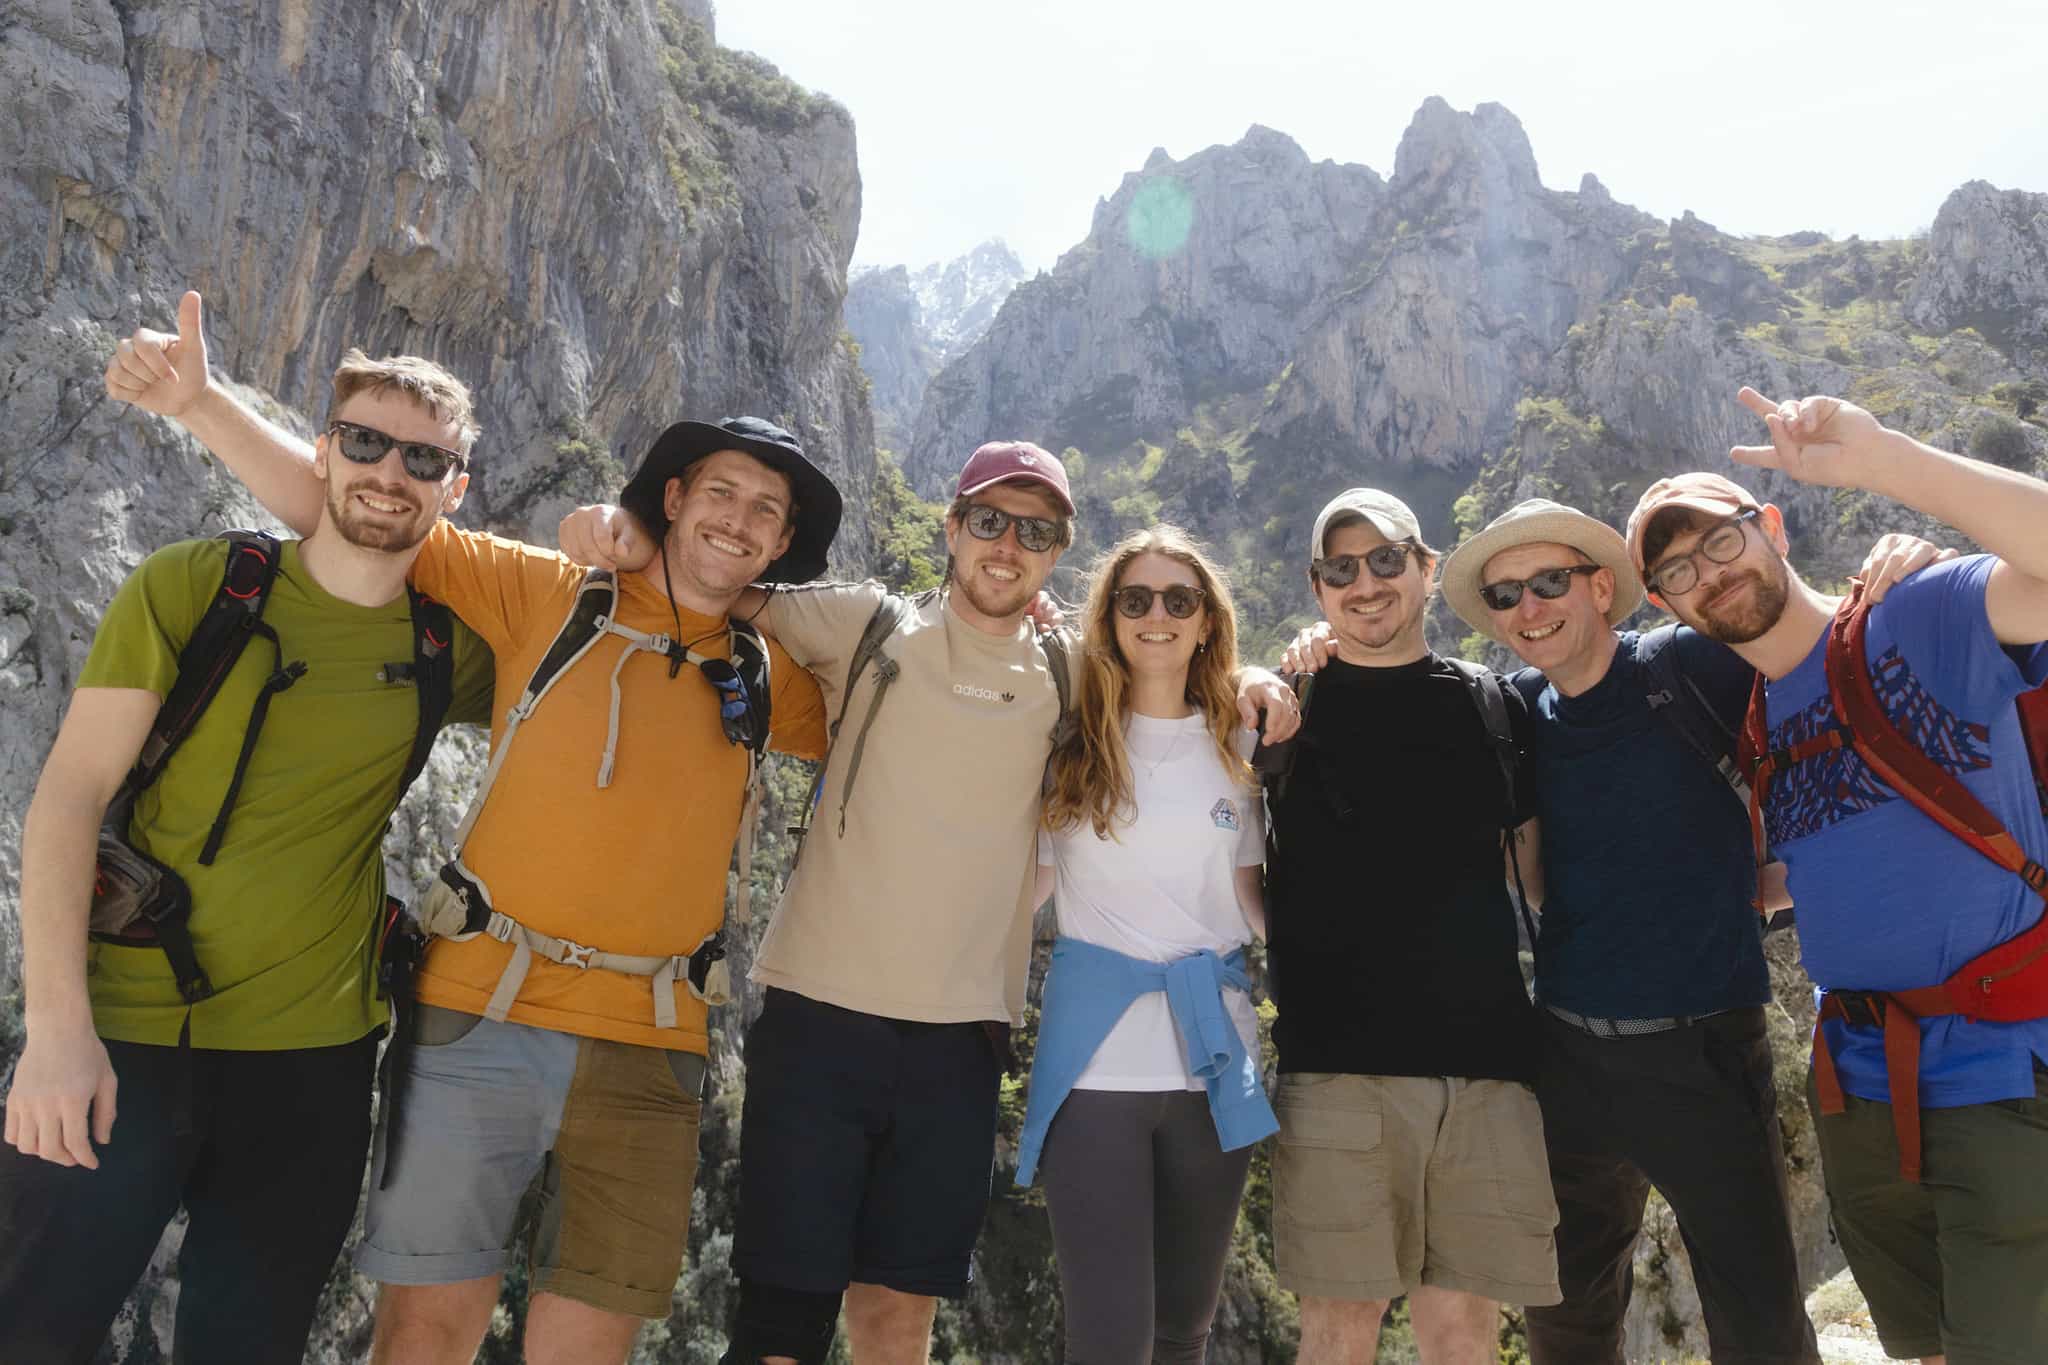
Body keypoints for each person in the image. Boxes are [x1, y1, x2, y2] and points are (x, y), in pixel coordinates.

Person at [88, 291, 835, 1365]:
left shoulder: (773, 679)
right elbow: (347, 508)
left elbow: (908, 717)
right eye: (721, 491)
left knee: (583, 1349)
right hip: (480, 1009)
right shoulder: (549, 593)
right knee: (426, 1333)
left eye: (768, 512)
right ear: (672, 497)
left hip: (652, 1037)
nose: (739, 519)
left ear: (782, 543)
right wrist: (200, 405)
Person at [557, 456, 1296, 1365]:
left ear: (1058, 554)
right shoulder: (868, 623)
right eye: (990, 521)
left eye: (1035, 532)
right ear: (951, 527)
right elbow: (721, 588)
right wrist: (626, 531)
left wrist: (1262, 675)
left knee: (899, 1322)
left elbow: (1177, 690)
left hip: (960, 1041)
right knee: (782, 1323)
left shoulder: (1071, 678)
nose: (1007, 546)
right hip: (820, 1017)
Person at [0, 332, 495, 1362]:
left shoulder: (451, 651)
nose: (388, 473)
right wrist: (54, 1032)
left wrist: (612, 533)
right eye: (364, 441)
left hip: (312, 1070)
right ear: (323, 451)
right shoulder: (198, 587)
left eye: (423, 460)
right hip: (122, 1038)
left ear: (456, 488)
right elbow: (67, 801)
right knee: (31, 1327)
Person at [1626, 386, 2048, 1364]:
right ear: (1665, 603)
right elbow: (1815, 872)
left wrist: (1882, 458)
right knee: (1923, 1349)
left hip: (2000, 1069)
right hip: (1857, 1082)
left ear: (1769, 524)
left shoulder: (1916, 615)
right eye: (1677, 569)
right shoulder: (1763, 724)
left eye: (1721, 540)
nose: (1708, 574)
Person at [1260, 488, 1558, 1364]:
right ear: (1318, 589)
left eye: (1387, 559)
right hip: (1337, 1071)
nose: (1366, 583)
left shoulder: (1492, 708)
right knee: (1340, 1330)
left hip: (1487, 1072)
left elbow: (1534, 876)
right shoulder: (1284, 710)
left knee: (1463, 1330)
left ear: (1428, 570)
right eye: (1341, 569)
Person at [1015, 524, 1274, 1365]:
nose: (1156, 614)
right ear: (1111, 618)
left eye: (1178, 599)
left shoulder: (1244, 747)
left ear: (1207, 620)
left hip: (1216, 1060)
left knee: (1182, 1333)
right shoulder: (1069, 747)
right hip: (1096, 1069)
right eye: (1135, 599)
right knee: (1109, 1340)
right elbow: (1026, 892)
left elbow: (1252, 897)